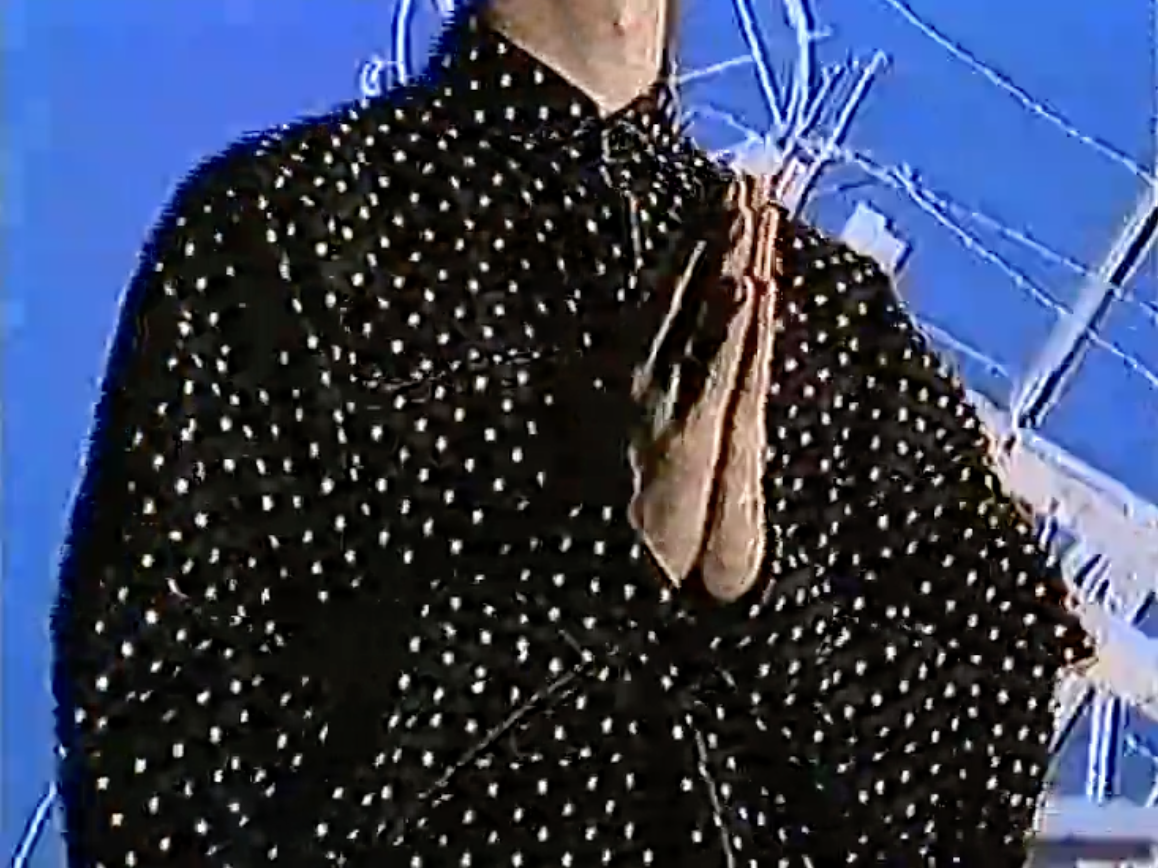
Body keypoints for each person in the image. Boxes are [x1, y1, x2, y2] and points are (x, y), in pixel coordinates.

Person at [52, 0, 1092, 864]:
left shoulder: (836, 321)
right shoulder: (285, 239)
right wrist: (604, 570)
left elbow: (979, 785)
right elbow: (162, 796)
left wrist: (759, 595)